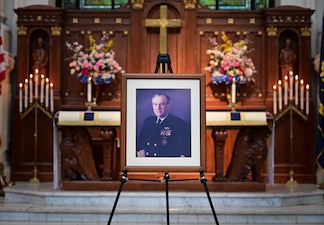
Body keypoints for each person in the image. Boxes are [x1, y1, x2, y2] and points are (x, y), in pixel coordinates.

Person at [136, 93, 191, 157]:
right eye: (155, 104)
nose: (158, 108)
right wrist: (140, 152)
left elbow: (185, 150)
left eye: (162, 104)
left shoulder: (179, 124)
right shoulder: (149, 121)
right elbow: (140, 142)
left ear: (168, 106)